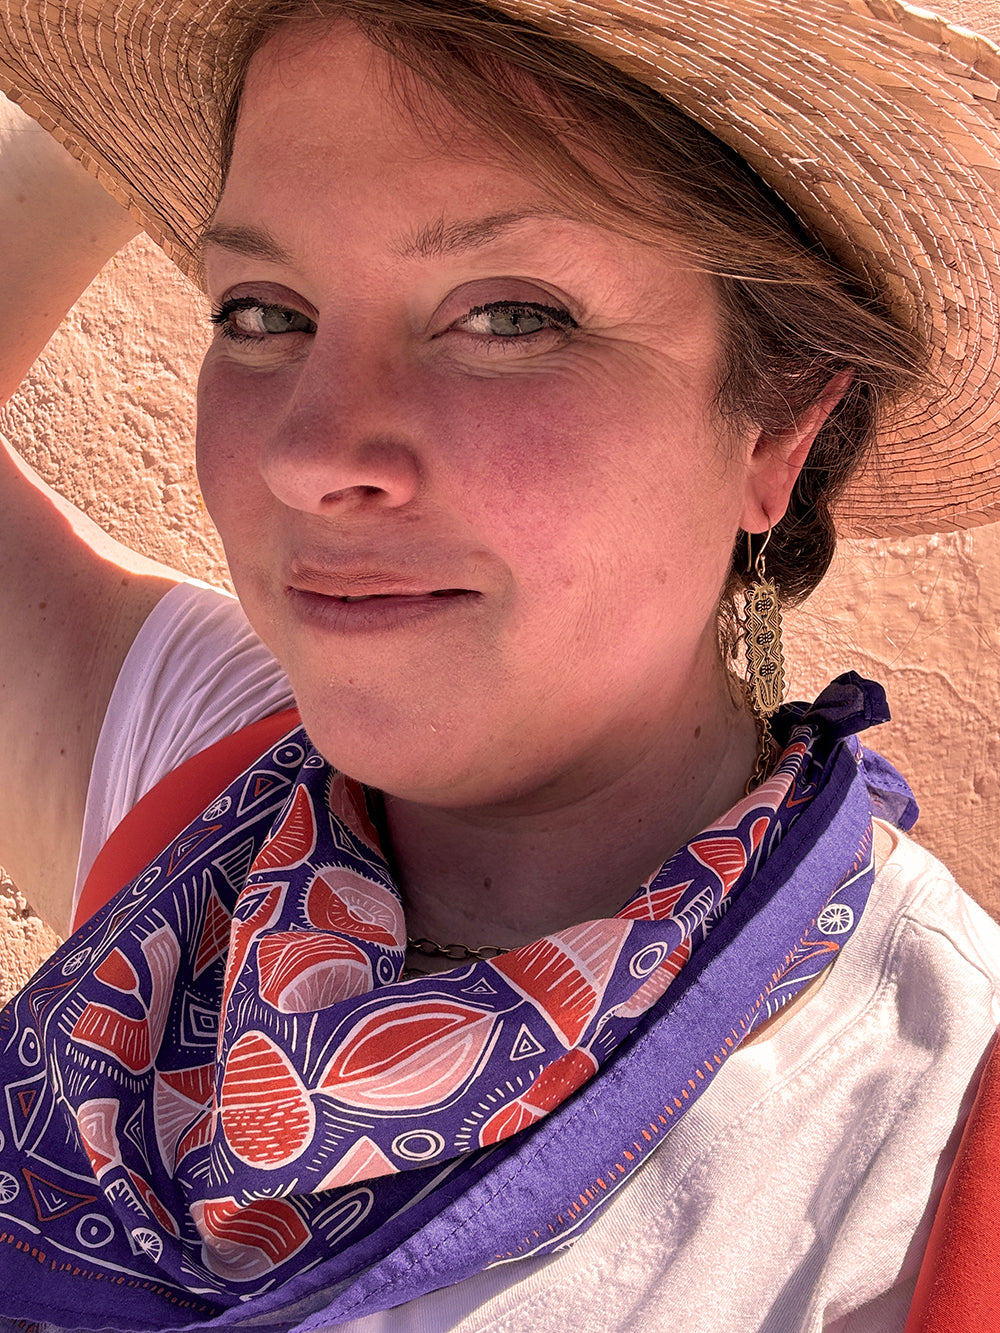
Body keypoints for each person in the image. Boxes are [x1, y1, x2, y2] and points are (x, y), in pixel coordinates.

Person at [0, 1, 998, 1329]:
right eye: (261, 307)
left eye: (511, 314)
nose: (313, 450)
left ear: (779, 427)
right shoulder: (204, 792)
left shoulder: (927, 1155)